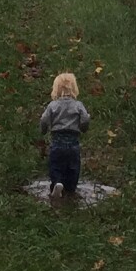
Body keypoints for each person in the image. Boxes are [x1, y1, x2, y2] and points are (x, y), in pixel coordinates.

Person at [39, 71, 90, 199]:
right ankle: (71, 189)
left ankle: (57, 184)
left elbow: (44, 120)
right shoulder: (78, 105)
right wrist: (83, 128)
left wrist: (43, 130)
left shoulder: (53, 105)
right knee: (73, 167)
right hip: (73, 144)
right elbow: (85, 119)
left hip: (57, 143)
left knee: (55, 165)